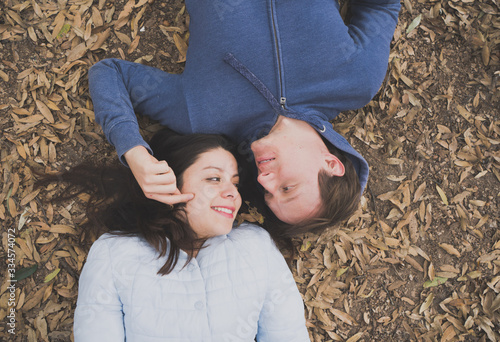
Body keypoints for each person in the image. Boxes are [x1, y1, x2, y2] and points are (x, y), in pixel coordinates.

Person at [88, 0, 401, 233]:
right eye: (287, 187)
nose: (265, 179)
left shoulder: (201, 116)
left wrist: (133, 152)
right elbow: (382, 6)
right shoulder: (355, 80)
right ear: (331, 164)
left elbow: (111, 74)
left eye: (268, 193)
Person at [59, 128, 310, 341]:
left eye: (234, 183)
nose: (232, 193)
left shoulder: (257, 247)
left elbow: (288, 334)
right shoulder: (114, 253)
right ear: (169, 184)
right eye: (214, 178)